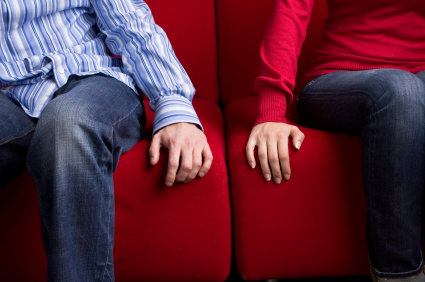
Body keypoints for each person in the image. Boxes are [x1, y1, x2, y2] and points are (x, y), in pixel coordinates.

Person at [0, 0, 213, 281]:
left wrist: (173, 103)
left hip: (92, 76)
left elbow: (129, 22)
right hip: (8, 93)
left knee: (68, 124)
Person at [246, 0, 425, 281]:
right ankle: (398, 274)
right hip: (340, 81)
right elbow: (290, 11)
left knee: (410, 91)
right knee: (401, 90)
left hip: (419, 78)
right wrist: (271, 109)